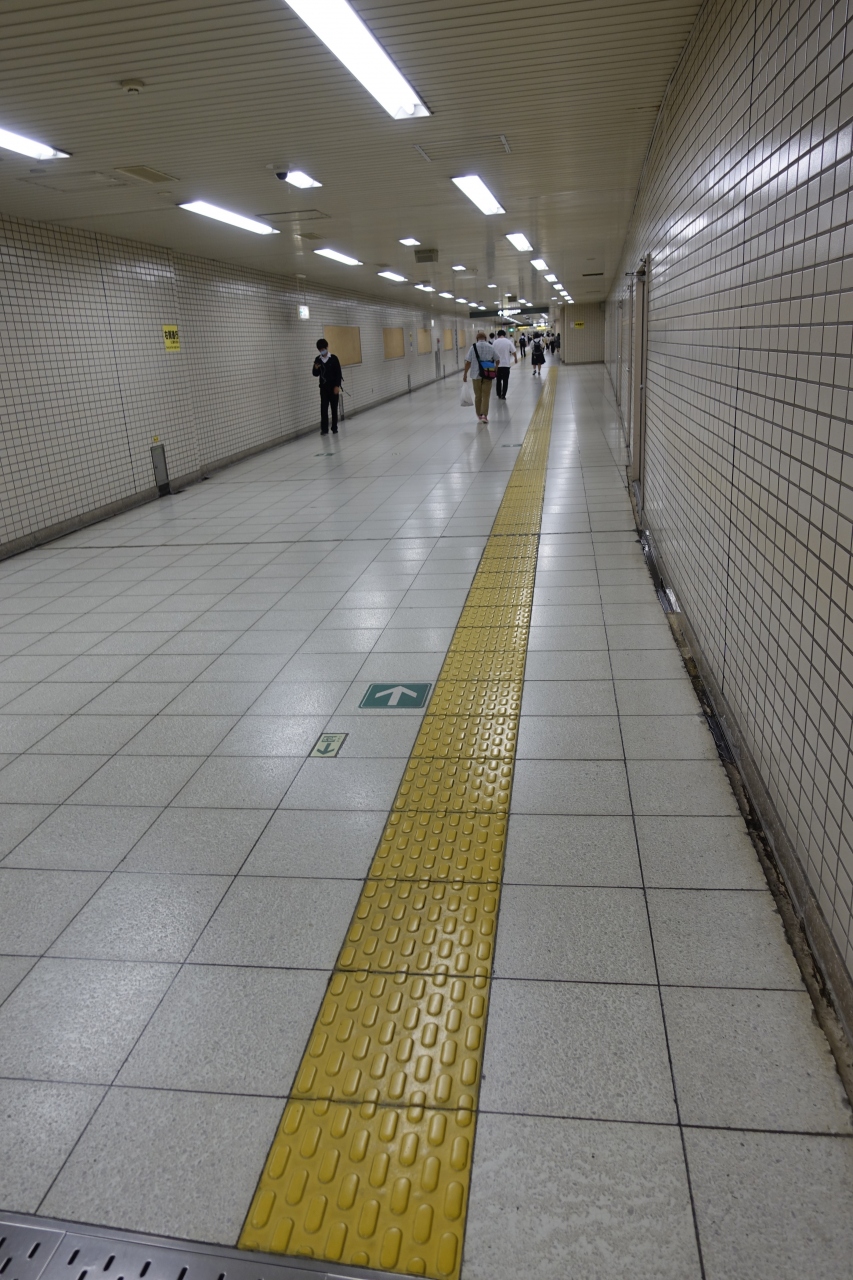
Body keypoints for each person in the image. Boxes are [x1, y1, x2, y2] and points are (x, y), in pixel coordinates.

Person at [463, 330, 498, 422]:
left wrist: (465, 374)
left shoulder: (473, 347)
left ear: (477, 338)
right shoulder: (491, 347)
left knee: (478, 396)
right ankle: (484, 415)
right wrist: (495, 369)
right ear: (485, 338)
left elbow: (468, 362)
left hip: (476, 376)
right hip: (488, 374)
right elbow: (497, 359)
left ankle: (479, 415)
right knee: (486, 395)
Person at [312, 338, 343, 435]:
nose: (322, 351)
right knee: (324, 409)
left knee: (334, 408)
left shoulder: (333, 358)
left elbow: (338, 373)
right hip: (324, 389)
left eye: (323, 349)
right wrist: (315, 368)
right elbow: (315, 374)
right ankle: (324, 429)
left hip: (333, 388)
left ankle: (334, 427)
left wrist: (337, 386)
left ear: (326, 347)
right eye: (320, 350)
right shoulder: (318, 360)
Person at [492, 329, 517, 399]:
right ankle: (504, 395)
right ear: (505, 335)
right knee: (505, 380)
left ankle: (499, 394)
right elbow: (513, 351)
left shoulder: (495, 342)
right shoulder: (508, 341)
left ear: (498, 335)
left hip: (497, 365)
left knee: (498, 380)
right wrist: (515, 358)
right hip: (506, 364)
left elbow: (492, 352)